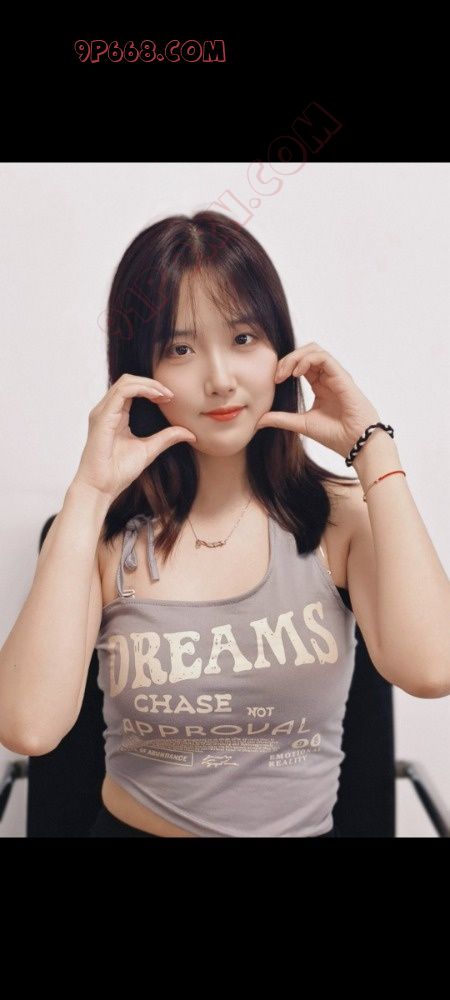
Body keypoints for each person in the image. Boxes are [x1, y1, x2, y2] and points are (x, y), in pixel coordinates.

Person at [2, 210, 446, 838]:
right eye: (179, 349)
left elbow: (433, 668)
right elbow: (28, 727)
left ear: (281, 350)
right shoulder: (103, 535)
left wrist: (373, 448)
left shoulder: (340, 520)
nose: (219, 379)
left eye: (243, 338)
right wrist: (90, 492)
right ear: (139, 371)